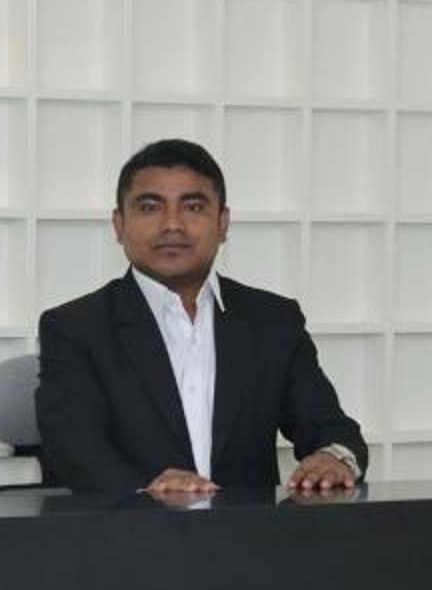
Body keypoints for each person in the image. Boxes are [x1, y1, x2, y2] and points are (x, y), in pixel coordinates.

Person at [32, 138, 369, 498]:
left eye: (193, 206)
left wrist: (334, 458)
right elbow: (74, 447)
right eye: (150, 207)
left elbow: (328, 425)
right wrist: (146, 490)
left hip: (249, 531)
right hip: (126, 530)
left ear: (223, 223)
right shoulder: (74, 328)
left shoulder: (273, 321)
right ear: (119, 224)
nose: (172, 224)